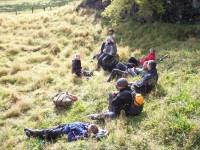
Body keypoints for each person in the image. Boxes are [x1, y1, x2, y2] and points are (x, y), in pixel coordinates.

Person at [24, 122, 99, 142]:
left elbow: (71, 138)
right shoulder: (86, 125)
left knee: (49, 133)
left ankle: (33, 133)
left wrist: (70, 134)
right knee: (50, 130)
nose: (88, 125)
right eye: (90, 125)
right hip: (65, 125)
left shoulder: (83, 134)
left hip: (63, 131)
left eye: (90, 127)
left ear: (90, 131)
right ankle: (33, 135)